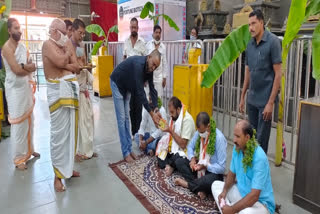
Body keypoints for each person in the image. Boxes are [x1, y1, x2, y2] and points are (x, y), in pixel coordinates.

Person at [42, 18, 81, 192]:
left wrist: (67, 62)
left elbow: (77, 66)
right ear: (53, 31)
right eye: (62, 33)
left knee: (71, 132)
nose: (65, 36)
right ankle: (57, 176)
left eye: (66, 33)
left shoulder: (65, 43)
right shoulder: (47, 45)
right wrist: (66, 58)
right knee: (59, 136)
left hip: (70, 91)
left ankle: (68, 168)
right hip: (56, 93)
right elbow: (60, 63)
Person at [239, 9, 282, 154]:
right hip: (252, 99)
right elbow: (248, 72)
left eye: (254, 23)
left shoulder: (273, 42)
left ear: (262, 23)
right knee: (250, 138)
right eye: (249, 24)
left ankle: (260, 174)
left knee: (261, 141)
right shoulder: (249, 45)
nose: (250, 28)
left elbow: (278, 74)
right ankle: (251, 171)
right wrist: (242, 96)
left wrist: (270, 103)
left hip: (265, 102)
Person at [212, 120, 275, 214]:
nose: (234, 140)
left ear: (247, 137)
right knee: (216, 185)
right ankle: (229, 207)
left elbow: (254, 196)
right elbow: (231, 174)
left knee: (246, 213)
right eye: (234, 135)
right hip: (241, 193)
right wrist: (224, 191)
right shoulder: (237, 148)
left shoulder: (259, 157)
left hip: (259, 203)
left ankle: (229, 208)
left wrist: (233, 209)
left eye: (238, 136)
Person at [1, 18, 40, 170]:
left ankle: (30, 150)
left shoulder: (22, 46)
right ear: (9, 31)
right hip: (15, 91)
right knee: (18, 124)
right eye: (16, 28)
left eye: (20, 28)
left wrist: (25, 66)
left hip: (25, 88)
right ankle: (18, 159)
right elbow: (16, 70)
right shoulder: (7, 48)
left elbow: (33, 65)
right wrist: (26, 67)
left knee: (30, 120)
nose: (19, 30)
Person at [110, 50, 161, 163]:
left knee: (127, 119)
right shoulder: (138, 65)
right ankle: (125, 152)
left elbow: (152, 89)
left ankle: (129, 149)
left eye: (156, 67)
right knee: (122, 119)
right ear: (149, 57)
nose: (153, 68)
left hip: (128, 87)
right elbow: (140, 91)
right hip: (117, 83)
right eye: (153, 64)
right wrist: (151, 114)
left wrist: (156, 108)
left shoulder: (149, 70)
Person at [175, 112, 227, 200]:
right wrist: (192, 159)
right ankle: (200, 189)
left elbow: (222, 168)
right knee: (179, 162)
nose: (201, 134)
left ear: (209, 126)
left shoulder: (219, 138)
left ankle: (188, 184)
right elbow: (190, 146)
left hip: (212, 172)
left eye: (202, 131)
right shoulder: (199, 133)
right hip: (199, 166)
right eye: (199, 131)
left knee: (208, 181)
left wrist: (206, 166)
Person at [68, 18, 97, 161]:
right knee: (80, 123)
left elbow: (83, 62)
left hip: (84, 86)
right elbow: (69, 67)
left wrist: (87, 65)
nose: (81, 36)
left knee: (89, 120)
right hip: (74, 88)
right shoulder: (67, 46)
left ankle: (89, 149)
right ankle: (80, 151)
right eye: (80, 33)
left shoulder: (81, 44)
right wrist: (78, 67)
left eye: (83, 33)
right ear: (72, 30)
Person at [156, 96, 195, 176]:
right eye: (170, 112)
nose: (171, 115)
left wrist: (170, 130)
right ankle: (170, 165)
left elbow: (183, 145)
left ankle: (172, 165)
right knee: (159, 143)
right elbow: (169, 136)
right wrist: (161, 123)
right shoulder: (175, 117)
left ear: (178, 109)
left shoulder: (187, 120)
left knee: (178, 160)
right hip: (175, 148)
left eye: (172, 112)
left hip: (184, 152)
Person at [123, 18, 147, 138]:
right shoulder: (126, 41)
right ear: (130, 28)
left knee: (138, 106)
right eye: (131, 27)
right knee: (131, 107)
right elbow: (124, 58)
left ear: (138, 28)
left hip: (139, 80)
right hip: (129, 80)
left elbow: (146, 62)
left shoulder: (142, 42)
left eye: (135, 27)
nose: (133, 29)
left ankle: (138, 132)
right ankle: (133, 132)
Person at [146, 25, 168, 99]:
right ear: (153, 33)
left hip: (159, 77)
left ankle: (158, 110)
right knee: (148, 97)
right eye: (156, 32)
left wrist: (164, 78)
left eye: (159, 32)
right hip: (149, 75)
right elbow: (145, 61)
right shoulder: (148, 45)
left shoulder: (163, 47)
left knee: (158, 98)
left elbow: (165, 62)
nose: (158, 34)